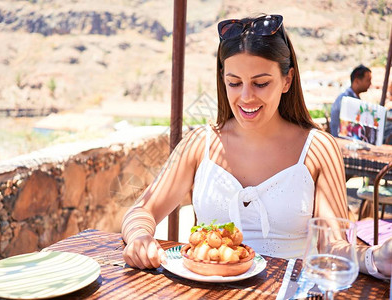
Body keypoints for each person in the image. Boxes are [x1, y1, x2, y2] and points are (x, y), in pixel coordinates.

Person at [121, 14, 392, 280]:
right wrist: (140, 237)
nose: (246, 97)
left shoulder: (317, 149)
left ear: (287, 80)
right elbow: (142, 211)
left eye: (261, 83)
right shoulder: (199, 144)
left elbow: (333, 246)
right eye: (234, 83)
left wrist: (376, 258)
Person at [329, 65, 372, 137]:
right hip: (341, 142)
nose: (370, 84)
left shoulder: (352, 98)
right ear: (357, 81)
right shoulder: (346, 100)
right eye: (368, 80)